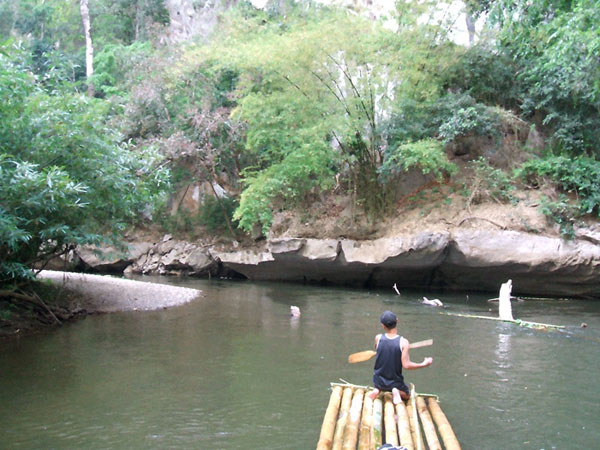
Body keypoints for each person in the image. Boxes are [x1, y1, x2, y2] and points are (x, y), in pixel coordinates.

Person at [367, 310, 433, 404]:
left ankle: (377, 390)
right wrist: (423, 364)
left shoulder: (378, 338)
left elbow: (381, 351)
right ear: (397, 321)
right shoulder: (403, 342)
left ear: (383, 325)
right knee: (406, 394)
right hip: (394, 381)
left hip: (378, 380)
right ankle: (396, 391)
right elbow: (406, 365)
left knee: (380, 383)